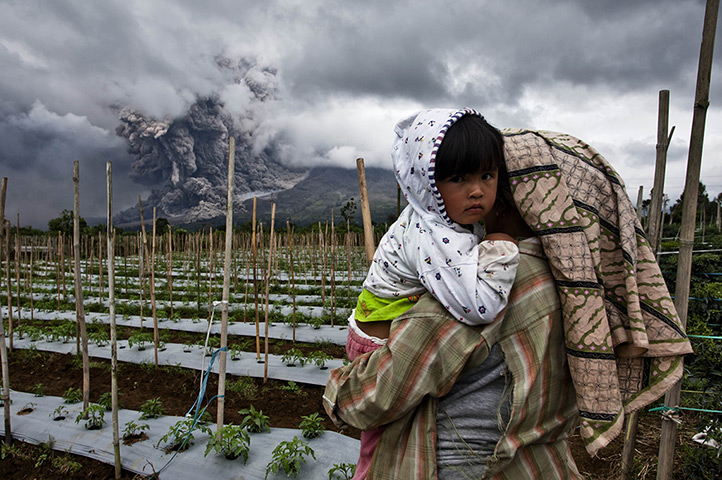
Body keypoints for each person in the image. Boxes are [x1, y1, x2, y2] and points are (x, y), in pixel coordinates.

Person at [324, 123, 693, 479]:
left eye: (492, 179)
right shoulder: (585, 292)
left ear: (519, 199)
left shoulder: (489, 281)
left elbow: (376, 394)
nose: (482, 197)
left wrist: (337, 396)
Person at [345, 108, 520, 479]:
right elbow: (479, 306)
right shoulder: (435, 235)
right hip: (377, 347)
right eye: (459, 178)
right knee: (384, 440)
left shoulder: (441, 217)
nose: (477, 190)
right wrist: (500, 247)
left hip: (380, 327)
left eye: (487, 175)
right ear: (426, 182)